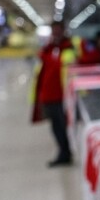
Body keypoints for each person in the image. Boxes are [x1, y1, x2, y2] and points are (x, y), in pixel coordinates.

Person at [30, 21, 76, 167]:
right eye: (53, 30)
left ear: (63, 31)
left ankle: (65, 153)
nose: (55, 33)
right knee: (55, 126)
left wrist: (45, 56)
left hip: (61, 95)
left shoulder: (67, 48)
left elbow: (60, 66)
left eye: (58, 30)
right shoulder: (50, 49)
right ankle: (63, 152)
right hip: (48, 94)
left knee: (62, 126)